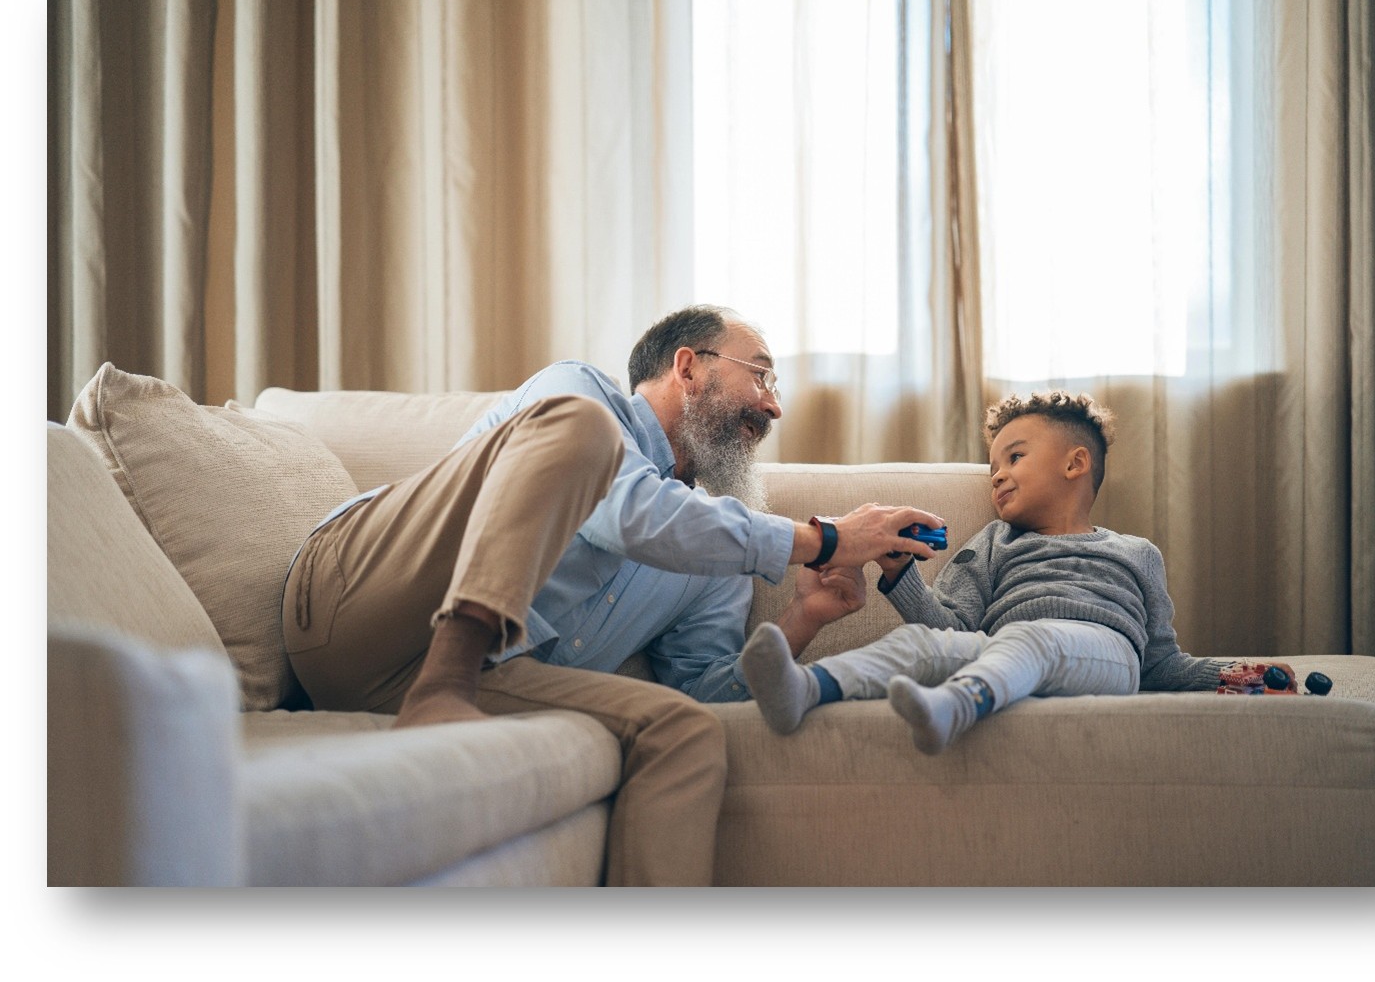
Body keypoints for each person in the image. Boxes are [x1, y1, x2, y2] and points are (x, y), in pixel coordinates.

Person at [280, 304, 943, 884]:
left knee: (682, 732)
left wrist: (802, 619)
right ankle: (443, 686)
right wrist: (826, 540)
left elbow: (707, 695)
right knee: (581, 432)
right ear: (688, 367)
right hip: (357, 599)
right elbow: (628, 513)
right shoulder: (581, 395)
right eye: (762, 375)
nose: (773, 406)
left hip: (471, 673)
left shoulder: (718, 553)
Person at [741, 389, 1289, 755]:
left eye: (1015, 458)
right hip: (1007, 648)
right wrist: (901, 572)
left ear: (1075, 464)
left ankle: (955, 707)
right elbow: (953, 627)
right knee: (922, 644)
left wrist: (1231, 675)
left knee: (1031, 638)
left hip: (1105, 657)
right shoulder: (993, 542)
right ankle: (805, 688)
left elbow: (1162, 659)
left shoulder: (1135, 551)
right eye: (994, 467)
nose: (998, 476)